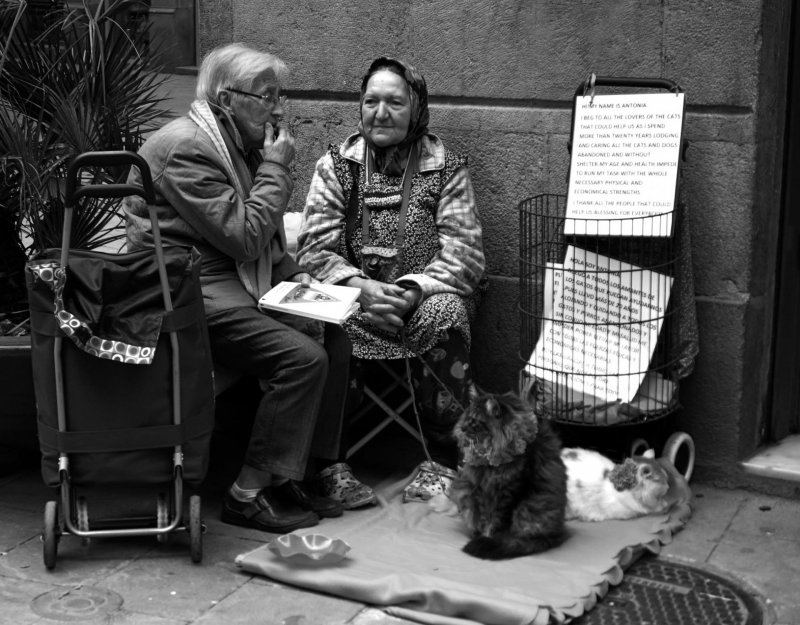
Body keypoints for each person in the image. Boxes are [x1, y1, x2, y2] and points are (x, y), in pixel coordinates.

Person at [124, 42, 344, 533]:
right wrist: (278, 167)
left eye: (279, 95)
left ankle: (297, 471)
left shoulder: (231, 144)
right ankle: (247, 492)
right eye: (266, 97)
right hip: (187, 293)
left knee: (336, 332)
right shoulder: (186, 147)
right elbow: (244, 237)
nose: (279, 109)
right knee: (302, 358)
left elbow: (260, 241)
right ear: (227, 99)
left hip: (231, 282)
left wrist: (294, 275)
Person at [296, 55, 486, 504]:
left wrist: (412, 290)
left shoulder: (445, 168)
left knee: (446, 313)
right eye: (370, 101)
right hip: (352, 301)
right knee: (311, 319)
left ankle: (442, 458)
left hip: (420, 302)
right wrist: (360, 289)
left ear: (416, 109)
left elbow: (466, 254)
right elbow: (313, 249)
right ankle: (330, 462)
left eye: (394, 103)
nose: (380, 113)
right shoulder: (336, 165)